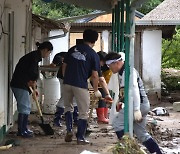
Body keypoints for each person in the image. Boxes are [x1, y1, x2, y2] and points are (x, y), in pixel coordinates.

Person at [105, 52, 162, 154]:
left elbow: (135, 89)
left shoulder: (129, 72)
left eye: (110, 66)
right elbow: (126, 91)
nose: (110, 68)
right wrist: (119, 101)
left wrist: (136, 109)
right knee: (141, 134)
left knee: (118, 124)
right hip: (141, 104)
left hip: (138, 105)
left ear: (116, 63)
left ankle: (126, 150)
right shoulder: (123, 72)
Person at [62, 29, 102, 144]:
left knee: (68, 107)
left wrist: (66, 78)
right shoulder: (93, 54)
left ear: (83, 37)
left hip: (67, 83)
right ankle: (80, 137)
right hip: (80, 85)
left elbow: (64, 66)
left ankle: (69, 130)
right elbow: (95, 75)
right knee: (83, 112)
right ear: (95, 40)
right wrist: (95, 90)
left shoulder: (72, 49)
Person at [10, 41, 53, 138]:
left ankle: (24, 128)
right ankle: (22, 131)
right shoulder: (33, 57)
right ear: (45, 50)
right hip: (19, 84)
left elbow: (32, 74)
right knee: (24, 107)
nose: (48, 55)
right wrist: (33, 82)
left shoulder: (34, 57)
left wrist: (34, 88)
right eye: (49, 52)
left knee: (26, 107)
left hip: (22, 84)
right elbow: (32, 73)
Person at [51, 52, 78, 127]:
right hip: (64, 78)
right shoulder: (68, 56)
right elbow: (62, 66)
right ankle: (57, 119)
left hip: (74, 78)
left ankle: (75, 118)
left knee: (75, 97)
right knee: (65, 97)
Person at [96, 51, 112, 124]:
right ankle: (101, 117)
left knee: (105, 94)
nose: (103, 64)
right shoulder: (95, 64)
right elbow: (95, 77)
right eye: (102, 62)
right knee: (102, 94)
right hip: (95, 79)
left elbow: (107, 76)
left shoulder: (107, 66)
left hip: (103, 80)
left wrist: (106, 87)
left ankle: (104, 115)